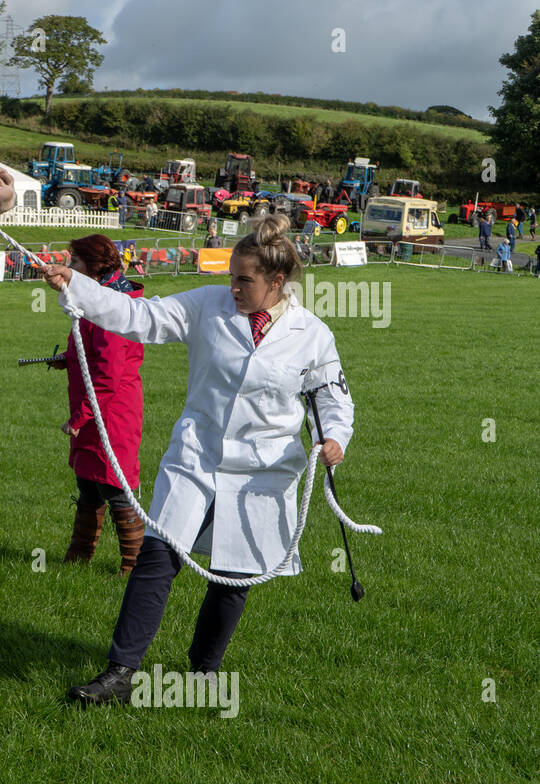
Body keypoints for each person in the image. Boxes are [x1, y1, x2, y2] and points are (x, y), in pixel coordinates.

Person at [42, 214, 353, 705]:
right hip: (196, 456)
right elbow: (139, 318)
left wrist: (333, 437)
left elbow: (333, 399)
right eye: (231, 276)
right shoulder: (207, 305)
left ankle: (204, 672)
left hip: (263, 474)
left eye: (244, 280)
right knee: (157, 557)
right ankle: (120, 674)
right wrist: (77, 284)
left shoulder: (312, 335)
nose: (232, 288)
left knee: (234, 576)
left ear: (277, 282)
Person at [50, 234, 146, 574]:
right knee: (88, 483)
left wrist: (79, 418)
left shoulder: (113, 311)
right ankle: (78, 557)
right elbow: (91, 355)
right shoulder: (97, 302)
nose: (71, 269)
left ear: (93, 268)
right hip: (94, 410)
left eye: (75, 263)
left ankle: (134, 564)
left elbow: (108, 376)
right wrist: (69, 359)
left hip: (112, 413)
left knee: (115, 486)